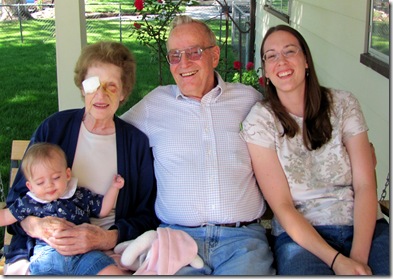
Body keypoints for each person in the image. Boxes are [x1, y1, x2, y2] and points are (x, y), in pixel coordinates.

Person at [121, 15, 275, 275]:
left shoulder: (249, 100)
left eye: (194, 52)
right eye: (175, 55)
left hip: (242, 241)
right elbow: (108, 134)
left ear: (214, 56)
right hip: (176, 242)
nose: (184, 63)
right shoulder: (154, 105)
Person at [240, 24, 390, 275]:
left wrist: (357, 259)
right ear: (265, 69)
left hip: (365, 229)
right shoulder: (261, 120)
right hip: (302, 239)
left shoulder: (343, 104)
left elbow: (365, 185)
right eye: (272, 56)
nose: (282, 61)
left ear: (306, 60)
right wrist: (337, 262)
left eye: (290, 51)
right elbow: (283, 206)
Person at [5, 41, 159, 275]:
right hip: (44, 249)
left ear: (124, 92)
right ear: (82, 87)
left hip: (105, 255)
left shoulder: (135, 143)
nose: (100, 94)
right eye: (93, 85)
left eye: (111, 87)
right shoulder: (54, 129)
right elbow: (17, 200)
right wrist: (39, 227)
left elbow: (148, 215)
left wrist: (106, 238)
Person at [1, 142, 125, 275]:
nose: (49, 185)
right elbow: (5, 217)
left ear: (67, 174)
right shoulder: (28, 202)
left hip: (85, 254)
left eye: (55, 177)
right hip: (48, 257)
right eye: (40, 182)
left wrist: (114, 188)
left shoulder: (78, 194)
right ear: (30, 186)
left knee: (111, 272)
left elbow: (102, 210)